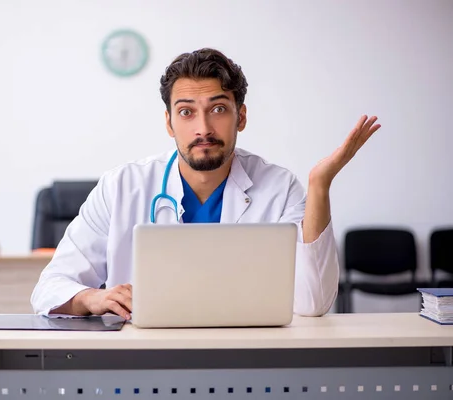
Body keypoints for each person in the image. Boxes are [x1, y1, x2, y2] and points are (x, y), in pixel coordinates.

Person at [31, 48, 380, 319]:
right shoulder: (121, 187)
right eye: (186, 112)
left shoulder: (278, 187)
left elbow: (313, 302)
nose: (203, 128)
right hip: (142, 357)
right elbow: (48, 288)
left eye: (218, 109)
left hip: (248, 359)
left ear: (240, 117)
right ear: (169, 123)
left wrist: (320, 186)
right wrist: (93, 297)